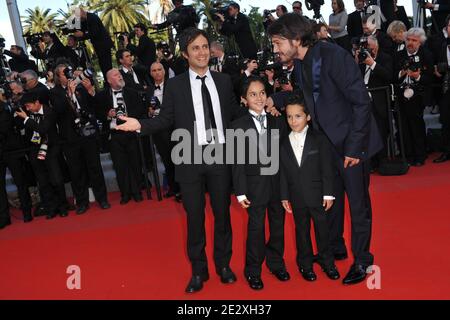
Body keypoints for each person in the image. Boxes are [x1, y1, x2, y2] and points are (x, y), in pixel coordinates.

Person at [114, 28, 246, 293]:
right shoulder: (175, 85)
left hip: (220, 156)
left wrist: (259, 111)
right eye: (195, 48)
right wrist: (139, 124)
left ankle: (223, 265)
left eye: (205, 46)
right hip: (189, 158)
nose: (202, 52)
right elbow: (165, 119)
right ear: (186, 54)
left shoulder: (223, 81)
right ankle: (199, 271)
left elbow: (234, 115)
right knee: (194, 217)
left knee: (222, 215)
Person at [267, 13, 383, 285]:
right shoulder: (300, 64)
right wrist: (277, 98)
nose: (275, 49)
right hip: (327, 144)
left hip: (352, 142)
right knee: (331, 199)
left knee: (357, 204)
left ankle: (363, 260)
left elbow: (360, 102)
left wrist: (354, 148)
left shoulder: (333, 55)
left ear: (296, 39)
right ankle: (335, 248)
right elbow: (306, 99)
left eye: (277, 42)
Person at [231, 76, 289, 290]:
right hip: (254, 186)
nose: (258, 97)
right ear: (244, 99)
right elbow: (236, 162)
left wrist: (287, 187)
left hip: (277, 184)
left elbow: (284, 157)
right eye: (253, 94)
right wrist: (240, 192)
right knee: (255, 228)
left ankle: (276, 263)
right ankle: (253, 270)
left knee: (277, 226)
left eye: (262, 93)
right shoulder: (237, 125)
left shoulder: (278, 120)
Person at [280, 95, 340, 282]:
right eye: (289, 116)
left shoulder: (319, 139)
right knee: (301, 231)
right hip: (296, 196)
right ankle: (305, 264)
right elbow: (282, 172)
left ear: (308, 117)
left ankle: (327, 262)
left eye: (297, 116)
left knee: (323, 230)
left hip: (317, 194)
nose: (293, 121)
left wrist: (328, 193)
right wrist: (284, 196)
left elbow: (327, 168)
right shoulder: (282, 141)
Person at [50, 64, 111, 214]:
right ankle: (82, 202)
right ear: (59, 77)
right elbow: (58, 111)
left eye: (68, 71)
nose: (68, 74)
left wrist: (91, 91)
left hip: (88, 135)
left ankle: (102, 199)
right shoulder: (54, 92)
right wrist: (69, 94)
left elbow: (95, 106)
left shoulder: (81, 86)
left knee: (95, 168)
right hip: (70, 139)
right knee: (76, 172)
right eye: (64, 73)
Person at [96, 69, 147, 204]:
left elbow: (141, 110)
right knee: (119, 165)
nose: (119, 76)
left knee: (135, 163)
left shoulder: (132, 93)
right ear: (109, 80)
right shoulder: (102, 96)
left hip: (130, 132)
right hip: (114, 135)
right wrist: (108, 114)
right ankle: (125, 193)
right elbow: (97, 113)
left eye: (119, 74)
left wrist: (128, 115)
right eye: (116, 75)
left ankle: (137, 192)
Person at [395, 28, 434, 166]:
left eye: (414, 40)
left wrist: (417, 76)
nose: (410, 43)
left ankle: (420, 155)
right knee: (403, 126)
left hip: (418, 95)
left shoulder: (426, 55)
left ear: (420, 43)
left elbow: (430, 78)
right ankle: (408, 155)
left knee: (416, 125)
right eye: (408, 40)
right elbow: (392, 75)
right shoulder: (398, 55)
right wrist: (402, 73)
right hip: (401, 94)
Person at [356, 35, 393, 171]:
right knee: (366, 133)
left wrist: (372, 64)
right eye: (365, 47)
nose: (367, 50)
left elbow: (389, 76)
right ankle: (370, 163)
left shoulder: (385, 58)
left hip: (379, 102)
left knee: (381, 132)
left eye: (369, 47)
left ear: (376, 46)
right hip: (363, 102)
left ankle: (382, 162)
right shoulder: (361, 60)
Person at [74, 7, 114, 80]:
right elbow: (83, 32)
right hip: (99, 47)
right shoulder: (85, 20)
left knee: (107, 66)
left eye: (79, 17)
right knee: (103, 66)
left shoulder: (92, 17)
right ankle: (107, 81)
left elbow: (95, 33)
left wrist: (82, 34)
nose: (79, 19)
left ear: (82, 13)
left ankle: (110, 81)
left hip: (103, 45)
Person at [431, 14, 450, 163]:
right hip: (446, 86)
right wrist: (438, 70)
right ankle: (447, 151)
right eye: (449, 26)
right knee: (445, 119)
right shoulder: (443, 45)